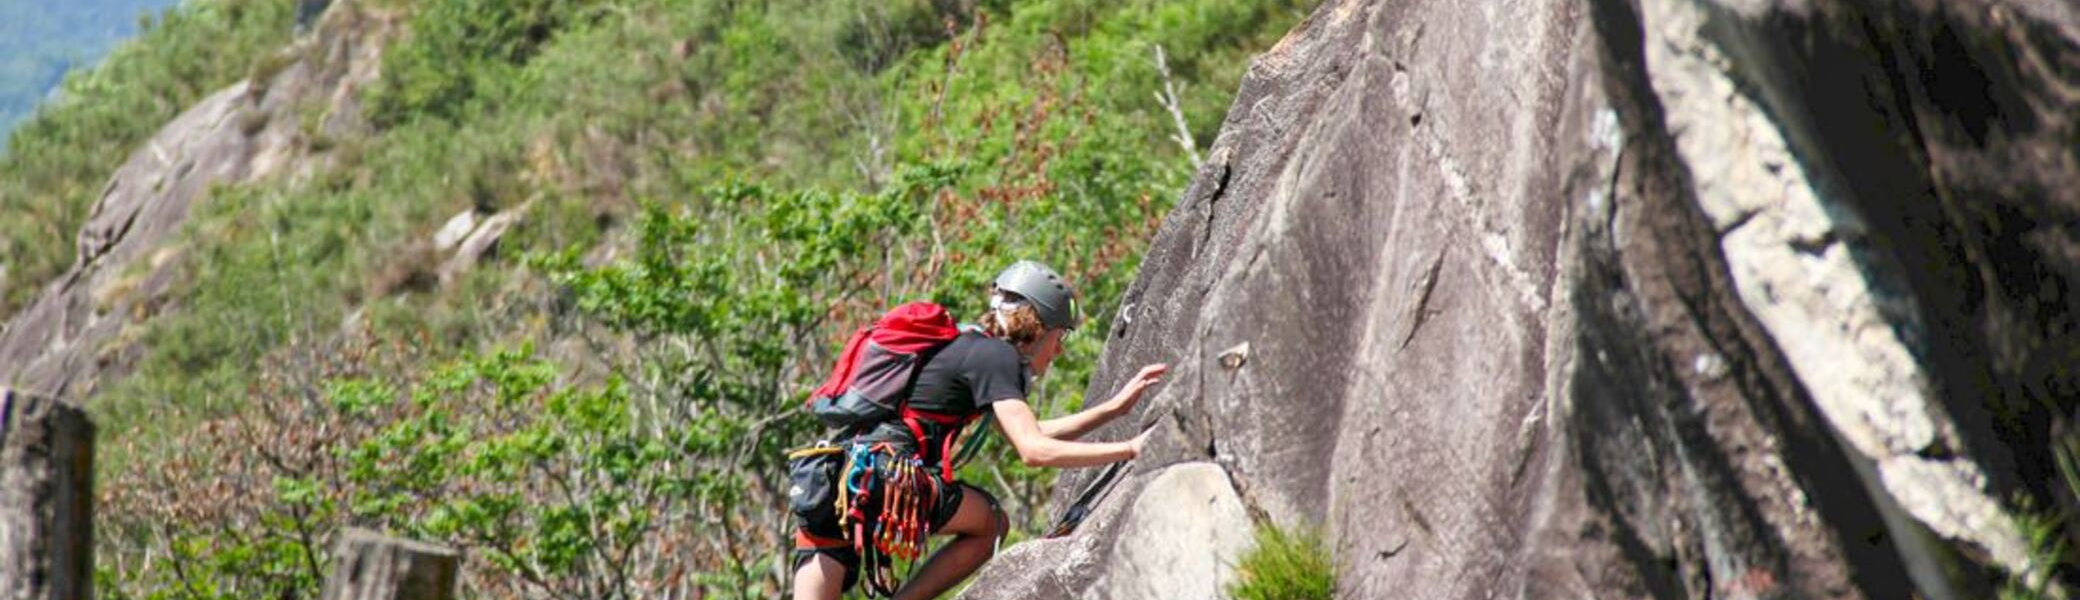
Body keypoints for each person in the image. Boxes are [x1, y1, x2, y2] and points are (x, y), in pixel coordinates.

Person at [790, 260, 1168, 600]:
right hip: (886, 476)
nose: (1058, 351)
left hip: (832, 480)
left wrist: (1113, 409)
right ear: (1039, 326)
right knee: (991, 523)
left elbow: (1031, 431)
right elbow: (1033, 450)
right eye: (1060, 337)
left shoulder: (964, 345)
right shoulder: (996, 356)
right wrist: (1132, 448)